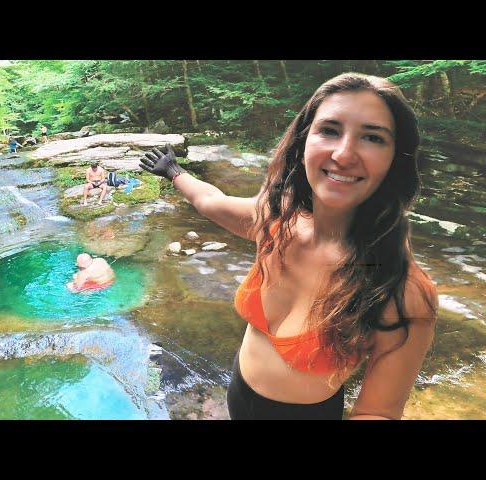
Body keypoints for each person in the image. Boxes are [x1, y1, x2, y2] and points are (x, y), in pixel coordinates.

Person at [139, 73, 438, 420]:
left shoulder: (402, 292)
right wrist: (176, 172)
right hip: (239, 395)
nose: (344, 153)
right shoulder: (277, 222)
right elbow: (212, 202)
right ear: (303, 141)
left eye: (372, 137)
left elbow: (378, 412)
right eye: (329, 130)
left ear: (394, 159)